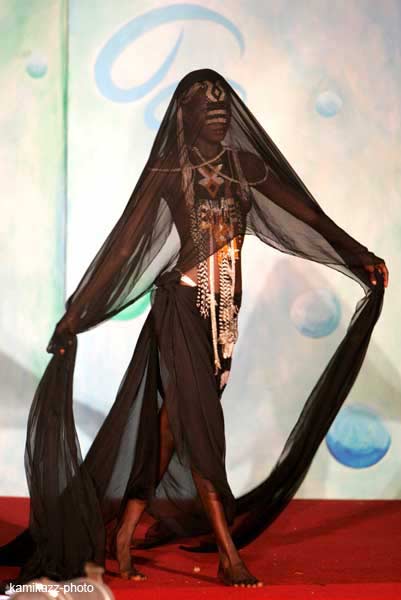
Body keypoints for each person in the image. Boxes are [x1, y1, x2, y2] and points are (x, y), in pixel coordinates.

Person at [0, 69, 388, 590]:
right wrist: (77, 314)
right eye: (208, 106)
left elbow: (310, 217)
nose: (219, 113)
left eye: (225, 105)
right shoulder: (170, 172)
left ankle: (124, 534)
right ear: (186, 115)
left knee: (169, 427)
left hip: (222, 320)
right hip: (180, 308)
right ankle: (228, 554)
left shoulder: (246, 167)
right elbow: (124, 247)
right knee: (204, 427)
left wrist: (359, 255)